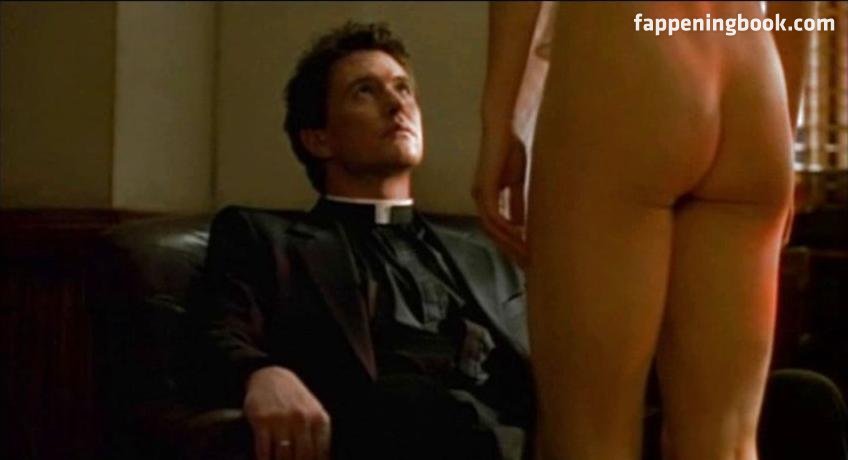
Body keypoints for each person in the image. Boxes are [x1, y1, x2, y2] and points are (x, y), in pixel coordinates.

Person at [474, 2, 812, 460]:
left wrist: (499, 121)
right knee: (726, 443)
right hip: (753, 75)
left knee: (589, 438)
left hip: (628, 53)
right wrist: (783, 134)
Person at [193, 21, 535, 460]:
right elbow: (215, 333)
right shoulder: (262, 237)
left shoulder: (484, 253)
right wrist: (261, 374)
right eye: (365, 92)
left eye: (403, 88)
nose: (397, 104)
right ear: (319, 139)